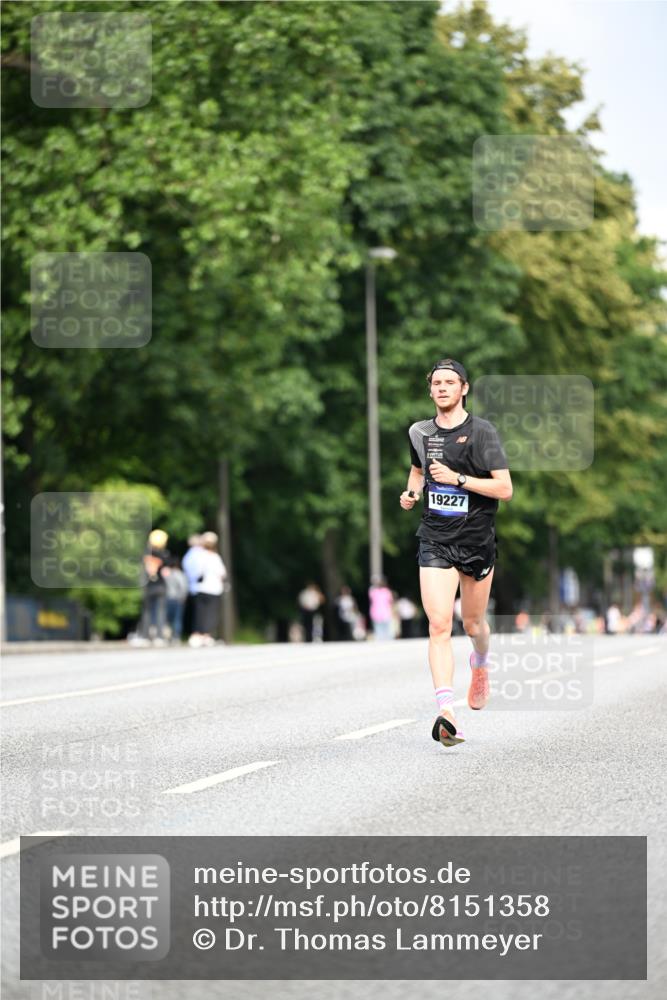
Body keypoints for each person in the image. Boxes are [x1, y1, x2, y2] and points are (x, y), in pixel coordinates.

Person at [399, 358, 513, 748]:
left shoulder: (482, 433)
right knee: (438, 624)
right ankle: (447, 712)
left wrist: (460, 479)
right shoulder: (419, 431)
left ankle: (480, 663)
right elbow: (418, 470)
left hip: (477, 540)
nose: (442, 388)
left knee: (473, 624)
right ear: (429, 389)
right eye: (436, 382)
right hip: (435, 537)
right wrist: (413, 493)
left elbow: (505, 489)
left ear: (464, 388)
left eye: (450, 382)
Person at [190, 531, 227, 646]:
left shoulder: (198, 556)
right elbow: (222, 573)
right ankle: (205, 635)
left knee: (200, 612)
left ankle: (197, 635)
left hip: (200, 588)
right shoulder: (215, 557)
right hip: (213, 589)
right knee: (210, 613)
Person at [163, 557, 189, 643]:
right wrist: (183, 597)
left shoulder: (167, 574)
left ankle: (167, 636)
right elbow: (183, 587)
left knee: (168, 619)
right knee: (177, 619)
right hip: (177, 599)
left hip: (167, 598)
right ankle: (176, 636)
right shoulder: (180, 574)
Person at [368, 576, 394, 641]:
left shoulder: (386, 591)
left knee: (386, 630)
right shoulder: (374, 591)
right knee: (380, 631)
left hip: (384, 613)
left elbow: (391, 602)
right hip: (378, 613)